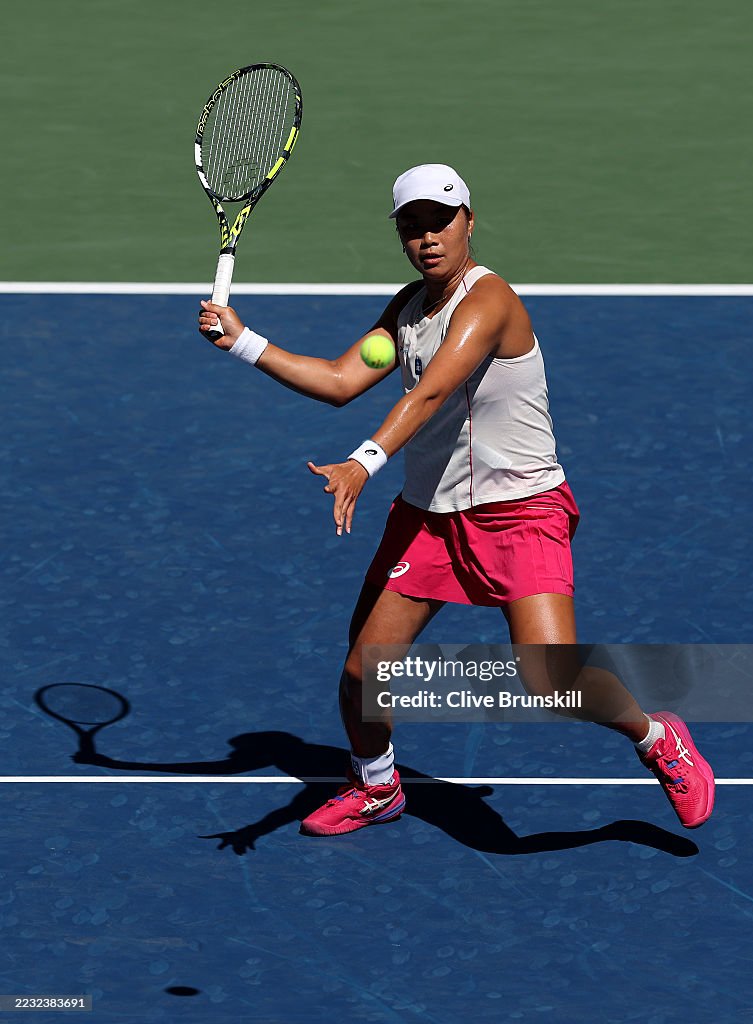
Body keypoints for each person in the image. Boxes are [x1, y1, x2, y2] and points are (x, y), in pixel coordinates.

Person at [198, 163, 715, 836]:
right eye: (412, 227)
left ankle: (656, 737)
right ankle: (377, 786)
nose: (427, 238)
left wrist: (363, 462)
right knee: (362, 672)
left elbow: (431, 392)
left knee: (551, 682)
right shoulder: (408, 311)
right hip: (430, 520)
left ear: (470, 220)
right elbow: (338, 378)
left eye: (440, 221)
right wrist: (244, 342)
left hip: (520, 513)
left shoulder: (488, 302)